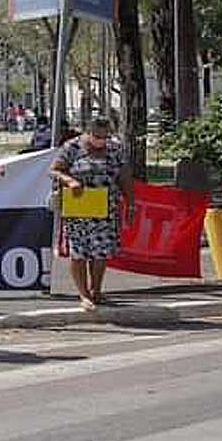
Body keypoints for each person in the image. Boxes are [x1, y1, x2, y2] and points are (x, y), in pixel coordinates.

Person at [50, 117, 132, 311]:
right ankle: (83, 294)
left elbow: (124, 176)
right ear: (88, 132)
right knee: (78, 252)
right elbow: (54, 170)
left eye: (105, 136)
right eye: (96, 136)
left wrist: (132, 203)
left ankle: (96, 290)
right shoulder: (72, 147)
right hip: (78, 208)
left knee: (100, 252)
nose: (100, 140)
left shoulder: (115, 149)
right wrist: (70, 181)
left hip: (105, 208)